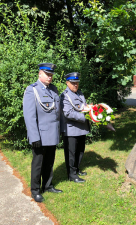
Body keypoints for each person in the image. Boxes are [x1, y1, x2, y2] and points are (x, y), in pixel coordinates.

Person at [23, 63, 63, 203]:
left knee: (49, 162)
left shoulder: (53, 90)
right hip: (39, 135)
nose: (50, 77)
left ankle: (48, 185)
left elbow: (56, 113)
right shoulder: (32, 90)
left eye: (51, 75)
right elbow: (29, 116)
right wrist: (34, 136)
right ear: (40, 74)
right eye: (47, 74)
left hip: (52, 134)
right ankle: (35, 190)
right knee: (38, 164)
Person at [60, 72, 90, 183]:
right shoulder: (65, 95)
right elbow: (67, 113)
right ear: (67, 83)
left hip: (81, 128)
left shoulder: (80, 94)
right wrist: (85, 117)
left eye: (77, 83)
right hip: (71, 129)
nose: (75, 85)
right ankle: (71, 175)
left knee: (80, 151)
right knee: (71, 153)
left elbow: (84, 107)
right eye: (73, 83)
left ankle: (76, 169)